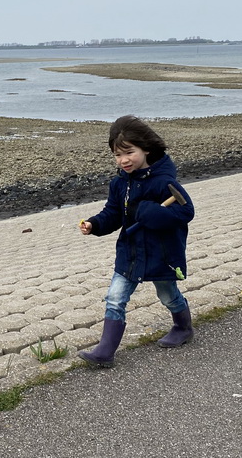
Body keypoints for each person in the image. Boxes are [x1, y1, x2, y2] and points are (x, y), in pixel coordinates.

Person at [78, 115, 195, 368]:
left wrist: (156, 213)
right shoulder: (120, 183)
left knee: (168, 296)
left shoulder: (165, 181)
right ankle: (105, 352)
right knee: (115, 298)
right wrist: (95, 224)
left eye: (129, 152)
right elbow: (112, 213)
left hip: (161, 253)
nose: (123, 160)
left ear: (146, 149)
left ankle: (183, 327)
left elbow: (186, 212)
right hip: (129, 251)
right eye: (117, 155)